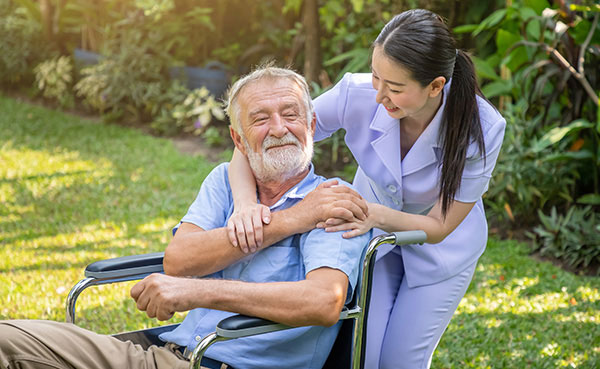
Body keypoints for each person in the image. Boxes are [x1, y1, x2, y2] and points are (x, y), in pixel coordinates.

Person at [0, 66, 371, 369]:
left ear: (310, 125)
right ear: (238, 140)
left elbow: (323, 302)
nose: (278, 128)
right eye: (260, 119)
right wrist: (290, 221)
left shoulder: (330, 199)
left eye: (290, 114)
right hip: (162, 355)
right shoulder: (224, 184)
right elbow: (179, 259)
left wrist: (197, 291)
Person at [227, 9, 506, 369]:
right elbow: (256, 140)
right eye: (376, 77)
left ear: (435, 86)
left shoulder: (482, 128)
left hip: (441, 252)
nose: (379, 95)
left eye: (395, 88)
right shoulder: (355, 94)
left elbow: (440, 226)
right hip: (373, 243)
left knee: (400, 360)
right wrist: (245, 203)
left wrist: (368, 213)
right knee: (362, 355)